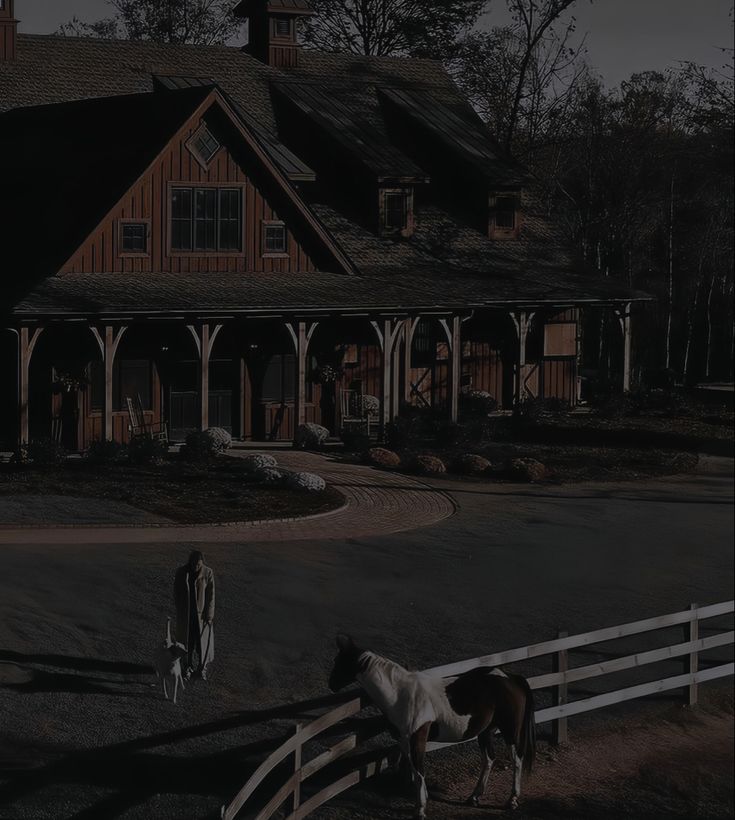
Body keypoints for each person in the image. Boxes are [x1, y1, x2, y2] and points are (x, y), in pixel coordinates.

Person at [174, 550, 215, 680]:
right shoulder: (181, 572)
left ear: (202, 563)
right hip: (187, 616)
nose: (196, 567)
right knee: (187, 642)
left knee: (201, 643)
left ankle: (202, 668)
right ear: (190, 562)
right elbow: (177, 593)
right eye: (194, 564)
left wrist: (209, 615)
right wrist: (180, 609)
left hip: (201, 617)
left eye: (198, 565)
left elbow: (211, 596)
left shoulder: (208, 573)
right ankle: (187, 666)